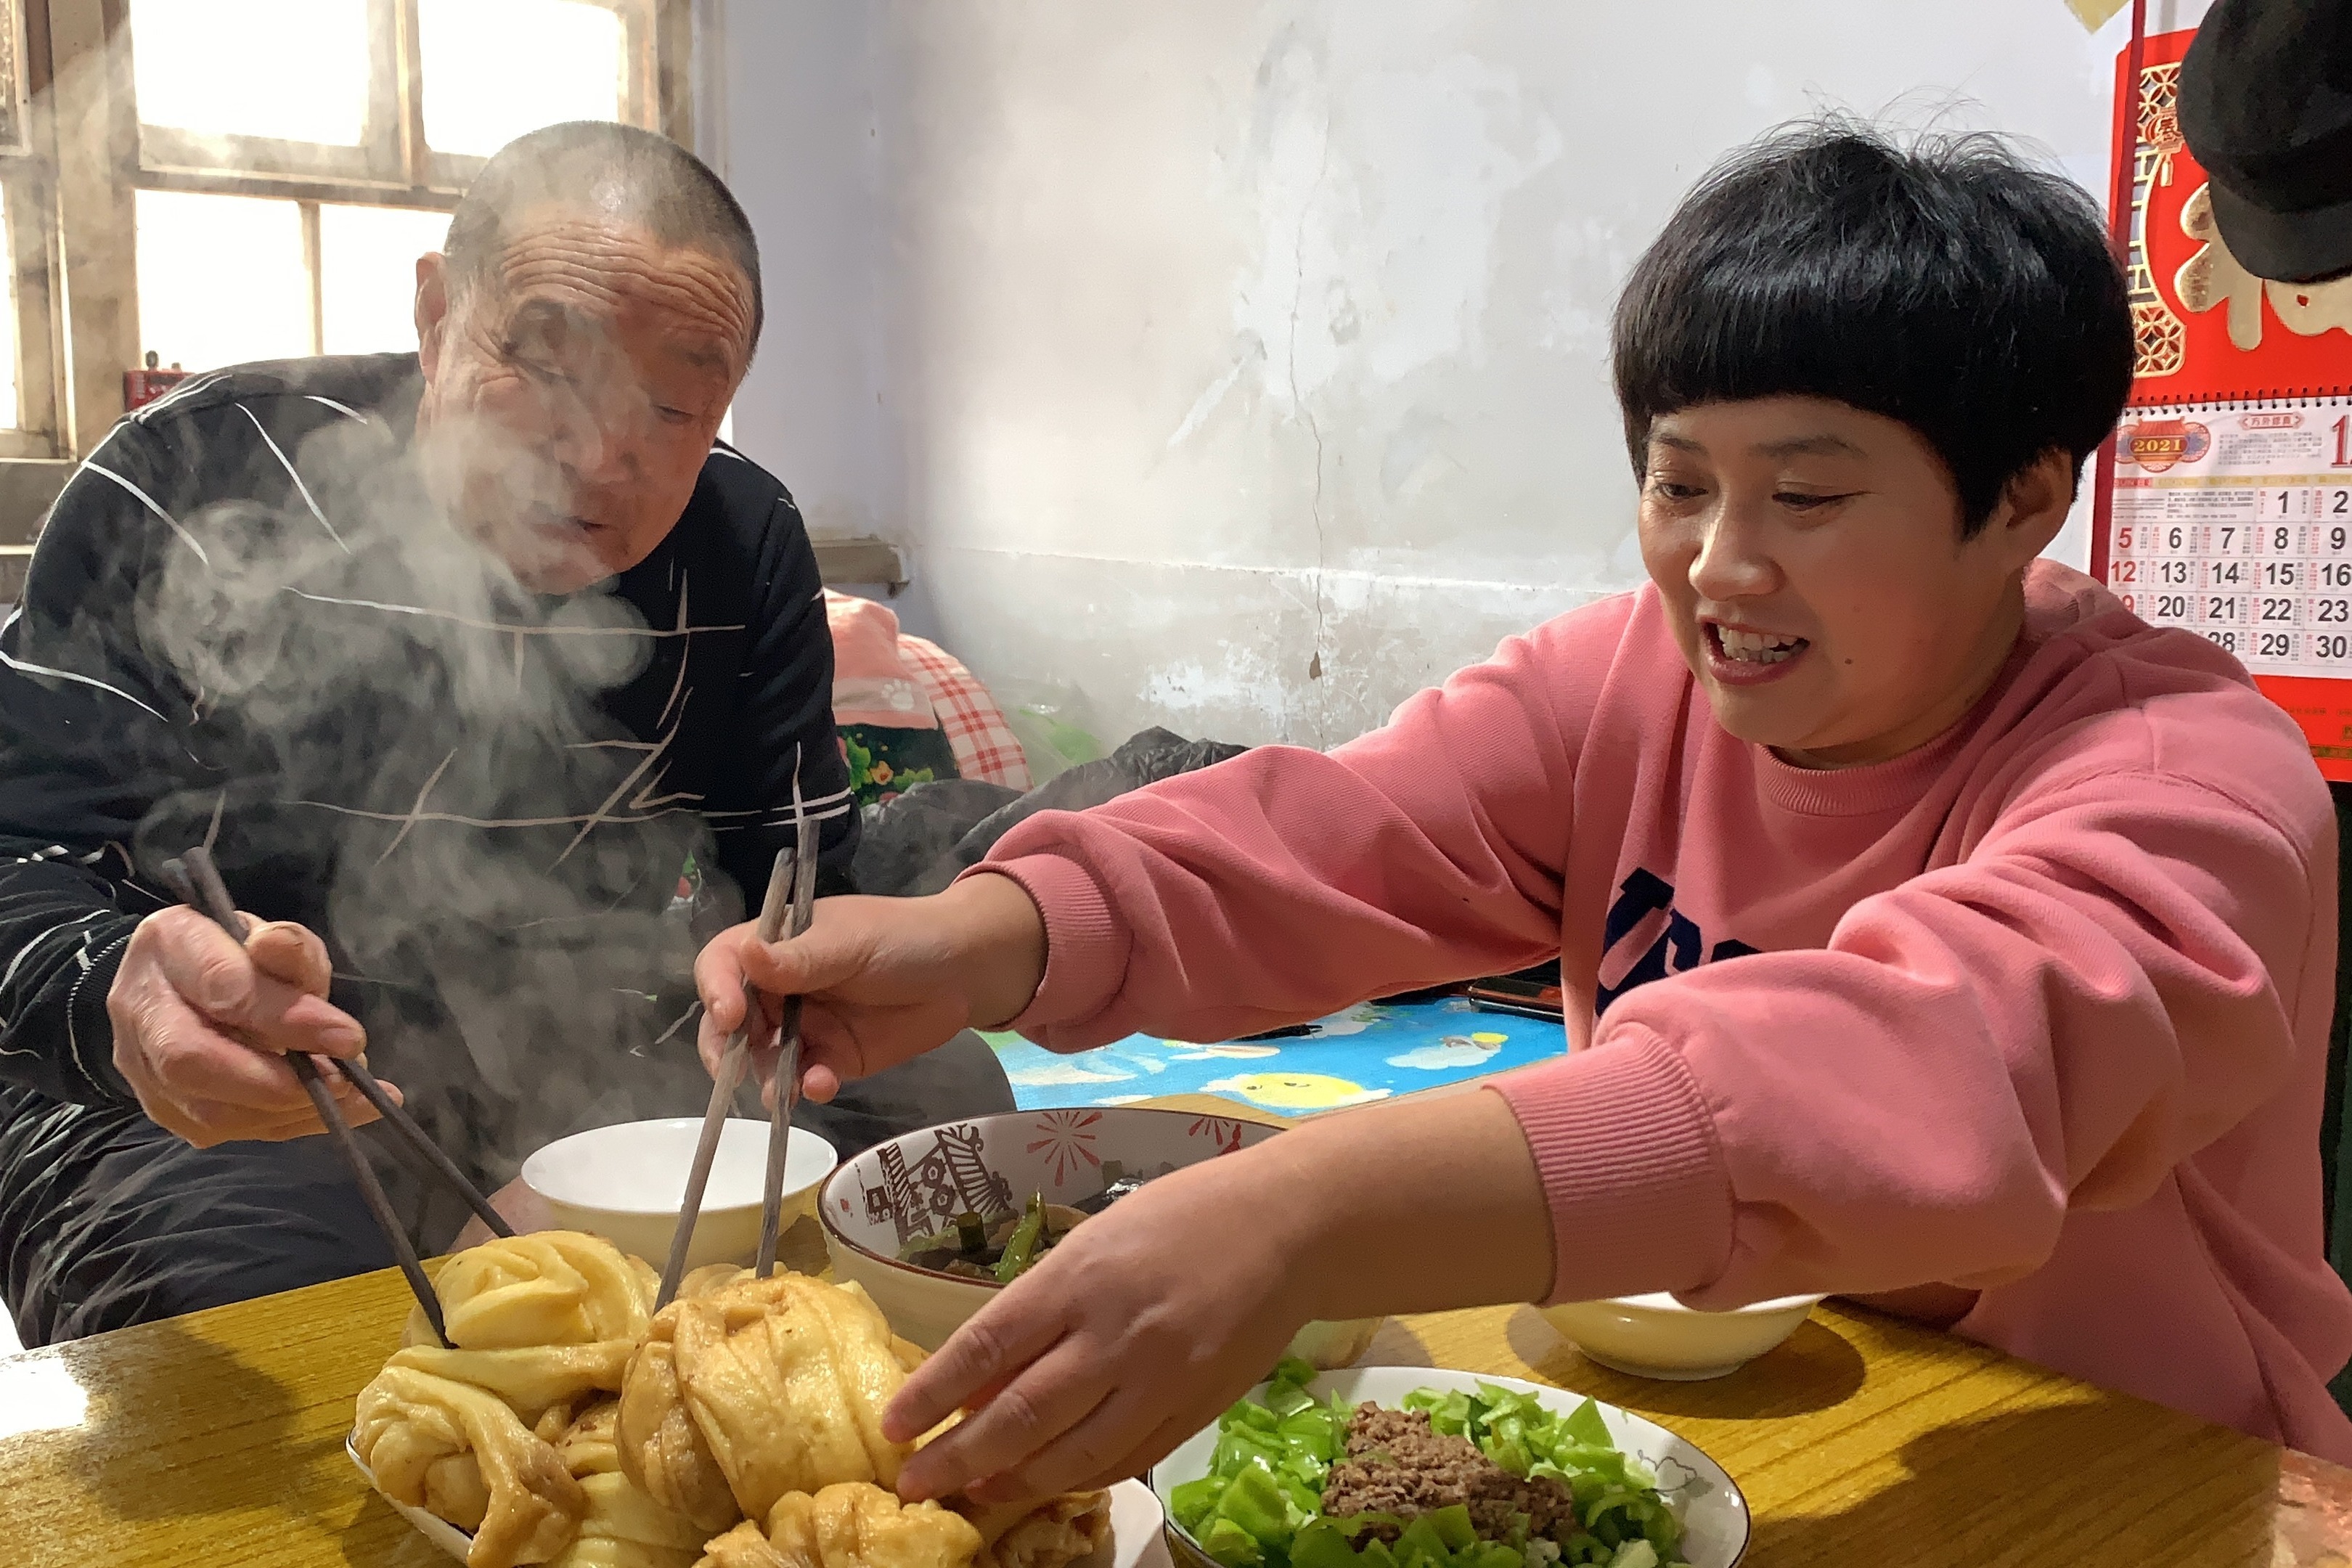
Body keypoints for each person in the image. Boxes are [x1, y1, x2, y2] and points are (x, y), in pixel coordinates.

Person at [698, 122, 2352, 1498]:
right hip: (1733, 1433)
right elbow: (1329, 834)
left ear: (2024, 497)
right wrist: (972, 939)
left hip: (2136, 1475)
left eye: (1813, 493)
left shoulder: (2184, 784)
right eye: (1679, 481)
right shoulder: (1626, 683)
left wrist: (1297, 1215)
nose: (1719, 567)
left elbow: (1937, 1062)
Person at [0, 121, 1010, 1347]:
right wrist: (118, 989)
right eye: (547, 363)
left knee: (948, 1111)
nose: (599, 455)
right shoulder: (189, 478)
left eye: (677, 405)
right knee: (242, 1304)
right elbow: (21, 861)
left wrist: (755, 1001)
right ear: (436, 317)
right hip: (224, 1084)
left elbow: (793, 888)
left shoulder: (742, 542)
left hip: (586, 1032)